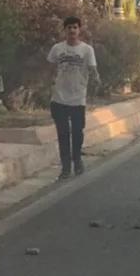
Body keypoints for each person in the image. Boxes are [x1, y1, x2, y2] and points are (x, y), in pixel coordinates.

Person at [47, 16, 101, 180]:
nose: (72, 30)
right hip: (59, 99)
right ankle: (65, 168)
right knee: (63, 134)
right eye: (69, 27)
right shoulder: (57, 49)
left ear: (79, 30)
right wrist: (48, 84)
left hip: (78, 98)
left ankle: (77, 160)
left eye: (75, 27)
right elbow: (50, 69)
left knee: (77, 133)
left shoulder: (86, 50)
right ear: (65, 30)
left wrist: (97, 80)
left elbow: (93, 69)